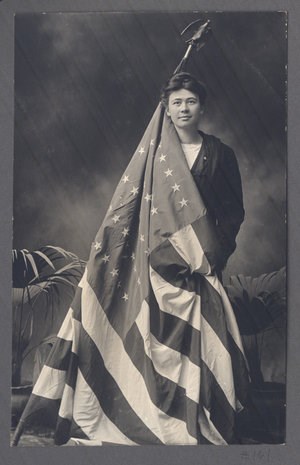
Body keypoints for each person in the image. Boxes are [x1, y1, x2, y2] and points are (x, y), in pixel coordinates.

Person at [160, 71, 245, 276]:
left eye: (191, 101)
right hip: (160, 259)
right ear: (168, 110)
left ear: (202, 108)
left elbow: (232, 213)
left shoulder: (220, 154)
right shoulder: (155, 154)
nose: (184, 109)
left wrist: (214, 256)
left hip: (204, 258)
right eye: (177, 102)